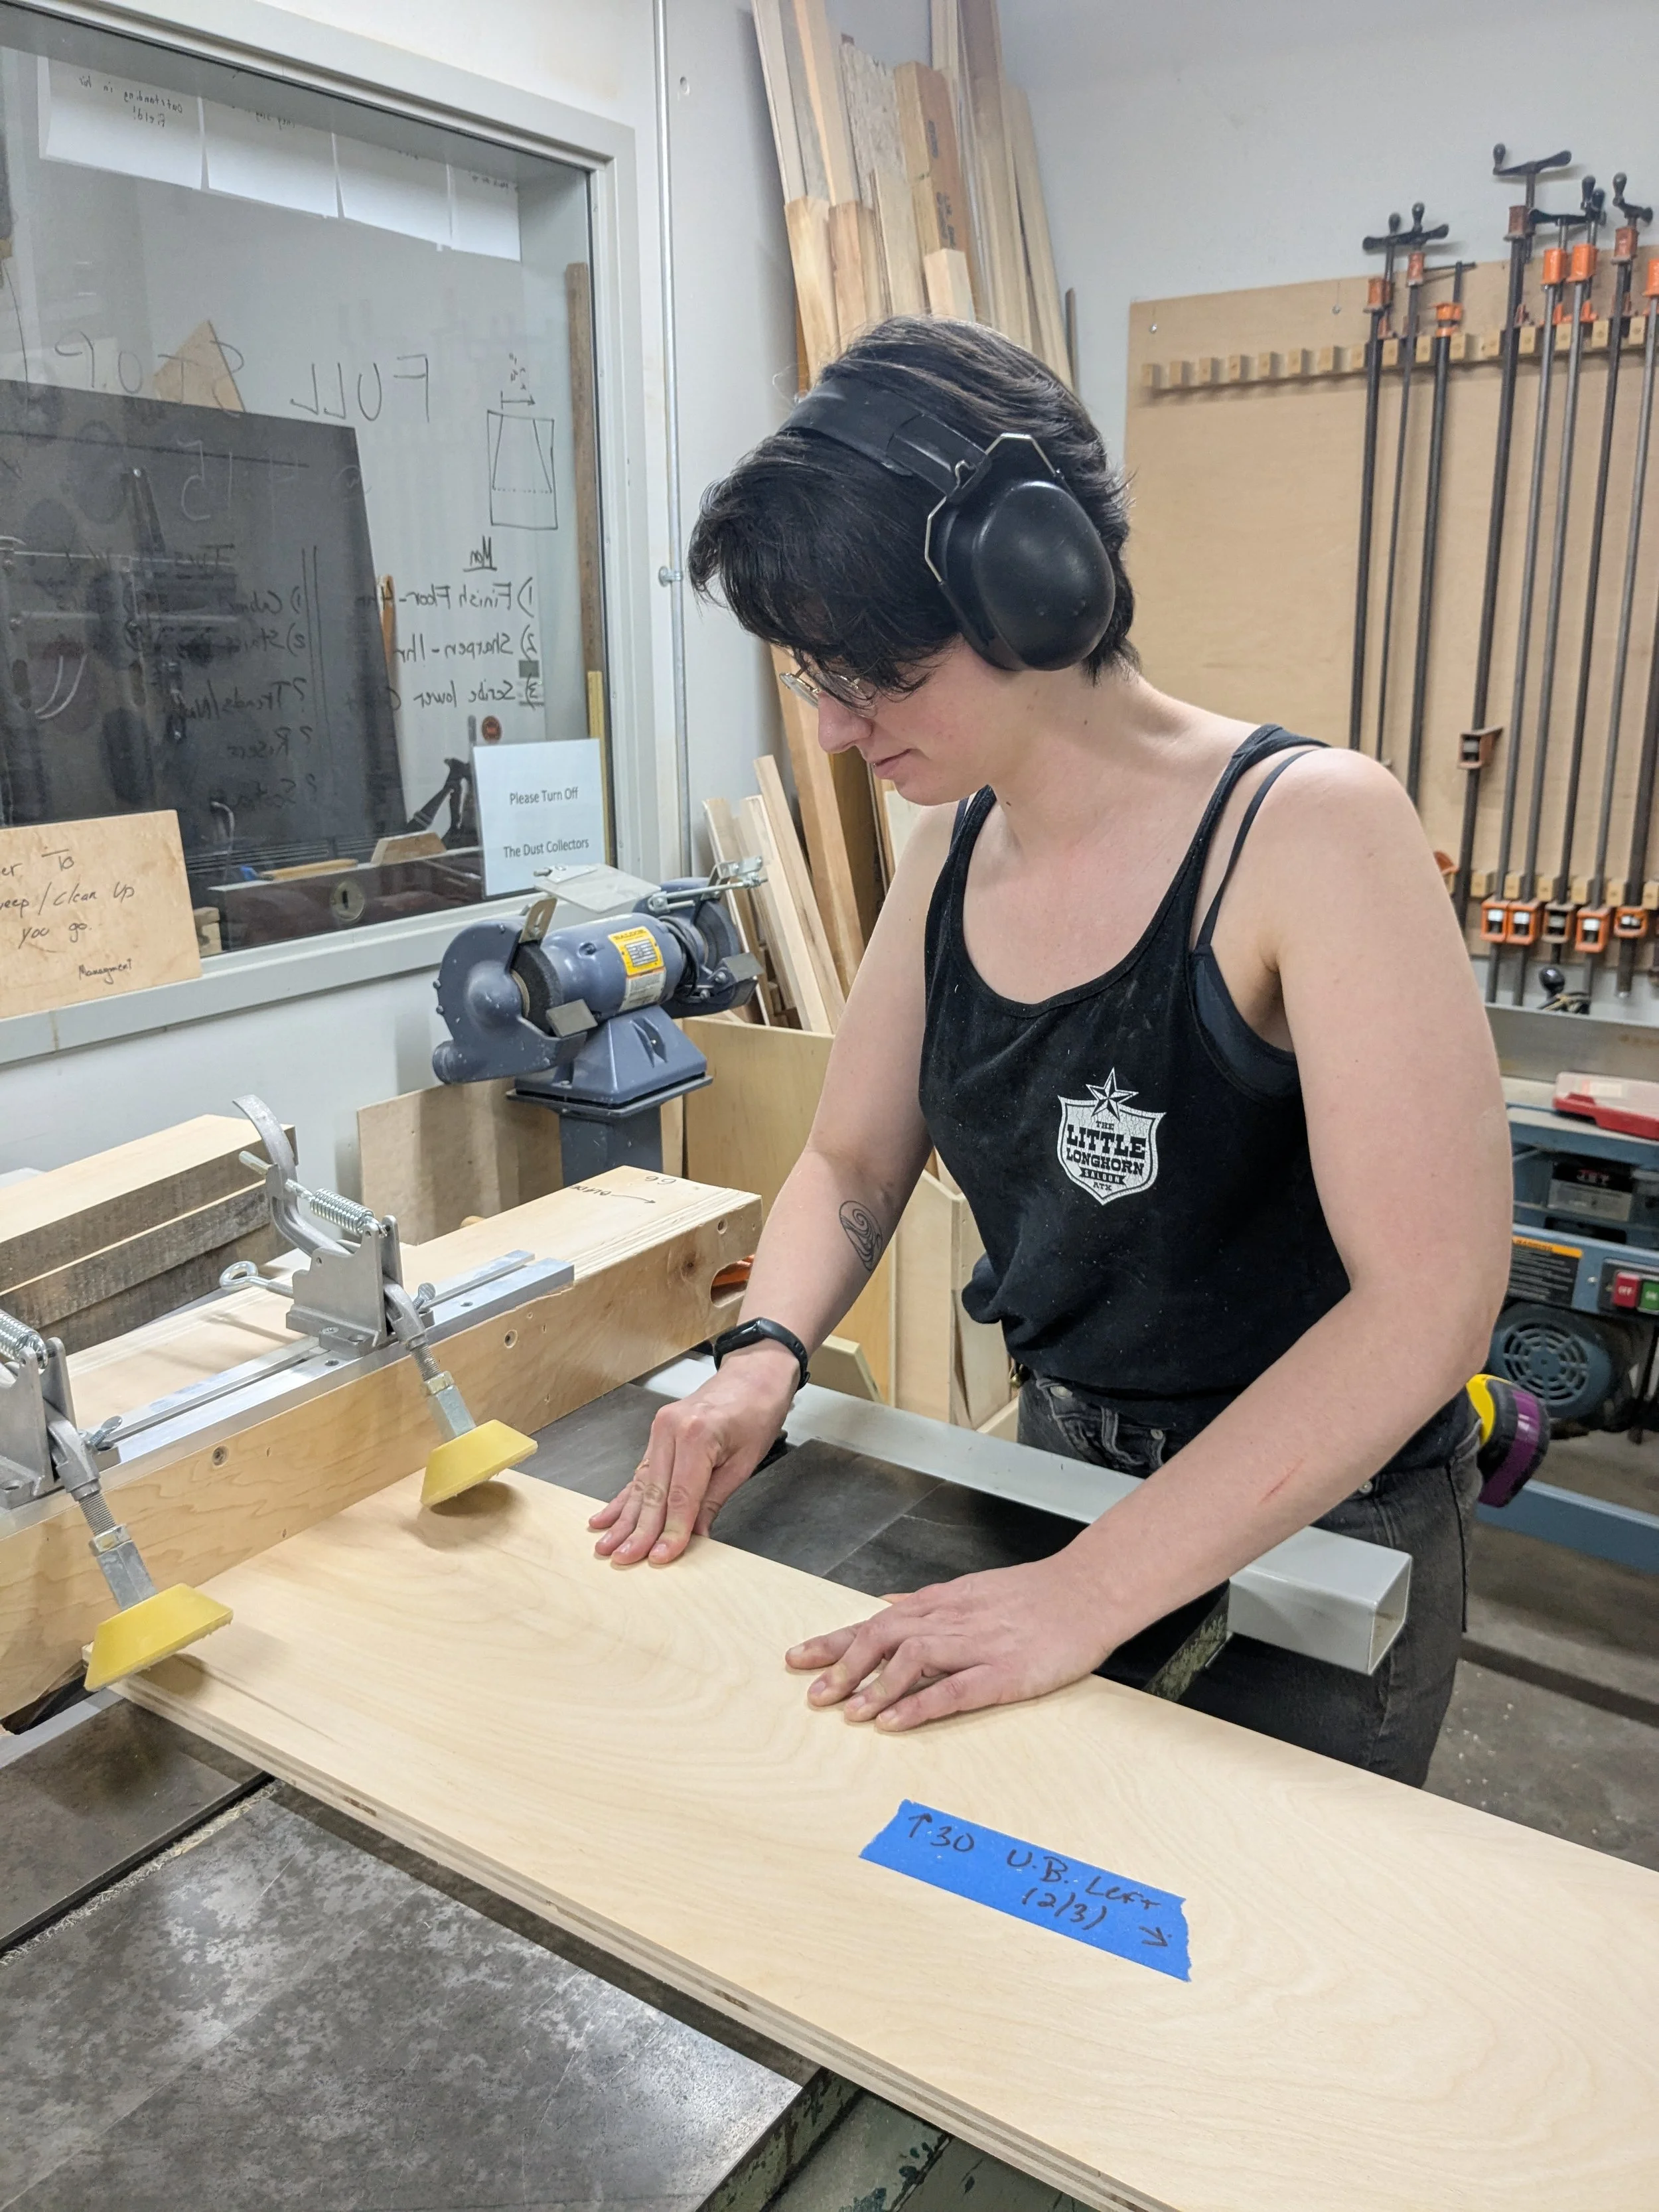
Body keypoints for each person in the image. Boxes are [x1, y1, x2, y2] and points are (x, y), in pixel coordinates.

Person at [591, 316, 1510, 1785]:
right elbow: (848, 1160)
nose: (831, 731)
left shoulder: (1307, 832)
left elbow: (1429, 1308)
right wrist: (761, 1354)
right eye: (808, 681)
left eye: (864, 677)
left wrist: (1094, 1589)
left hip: (1313, 1529)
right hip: (1053, 1477)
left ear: (1035, 590)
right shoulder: (948, 847)